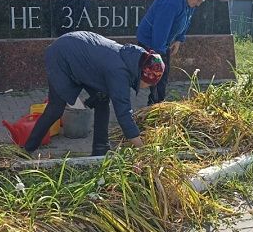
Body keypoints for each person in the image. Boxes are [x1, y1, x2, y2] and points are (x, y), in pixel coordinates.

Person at [24, 31, 165, 156]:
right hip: (62, 55)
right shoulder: (119, 72)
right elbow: (123, 113)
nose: (148, 87)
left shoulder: (135, 58)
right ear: (144, 75)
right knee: (55, 109)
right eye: (150, 84)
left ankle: (100, 150)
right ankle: (28, 149)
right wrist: (142, 149)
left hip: (81, 56)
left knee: (102, 100)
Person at [136, 0, 212, 105]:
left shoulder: (189, 3)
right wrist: (158, 55)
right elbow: (160, 29)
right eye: (198, 0)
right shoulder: (171, 1)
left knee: (162, 77)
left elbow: (186, 20)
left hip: (165, 43)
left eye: (201, 1)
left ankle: (157, 104)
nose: (199, 4)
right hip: (151, 42)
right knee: (156, 77)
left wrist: (179, 39)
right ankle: (155, 106)